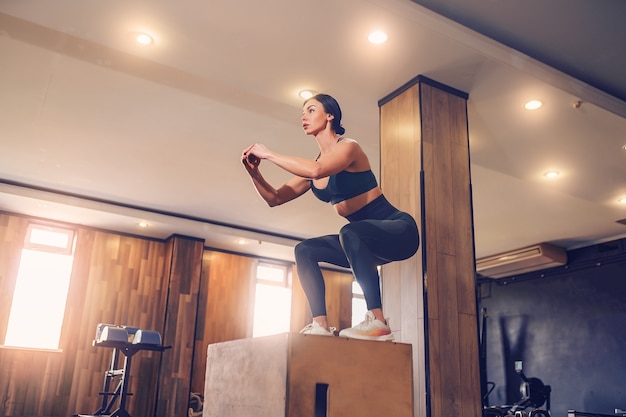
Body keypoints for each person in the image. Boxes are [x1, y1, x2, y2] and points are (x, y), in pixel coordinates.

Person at [241, 93, 419, 341]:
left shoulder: (349, 147)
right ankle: (320, 325)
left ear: (330, 116)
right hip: (362, 243)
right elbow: (275, 198)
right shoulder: (312, 168)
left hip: (399, 231)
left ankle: (378, 321)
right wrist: (255, 174)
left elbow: (317, 170)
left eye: (311, 110)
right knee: (305, 250)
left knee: (350, 232)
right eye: (303, 112)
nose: (304, 116)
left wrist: (269, 154)